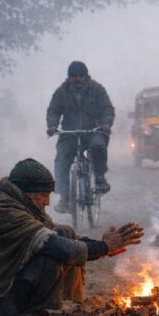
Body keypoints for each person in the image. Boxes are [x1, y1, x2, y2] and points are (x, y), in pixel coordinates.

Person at [0, 158, 144, 316]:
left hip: (1, 293)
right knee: (49, 257)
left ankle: (34, 311)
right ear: (26, 192)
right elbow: (59, 248)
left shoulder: (18, 204)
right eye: (43, 194)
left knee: (64, 232)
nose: (47, 201)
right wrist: (104, 247)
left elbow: (62, 238)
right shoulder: (4, 211)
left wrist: (102, 245)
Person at [46, 61, 115, 213]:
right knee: (61, 160)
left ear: (86, 76)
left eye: (80, 76)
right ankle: (65, 198)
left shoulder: (97, 89)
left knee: (98, 146)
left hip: (93, 131)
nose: (77, 79)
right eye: (74, 76)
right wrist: (52, 125)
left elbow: (107, 109)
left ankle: (100, 178)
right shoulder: (61, 92)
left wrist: (106, 123)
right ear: (68, 77)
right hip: (69, 133)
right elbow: (53, 110)